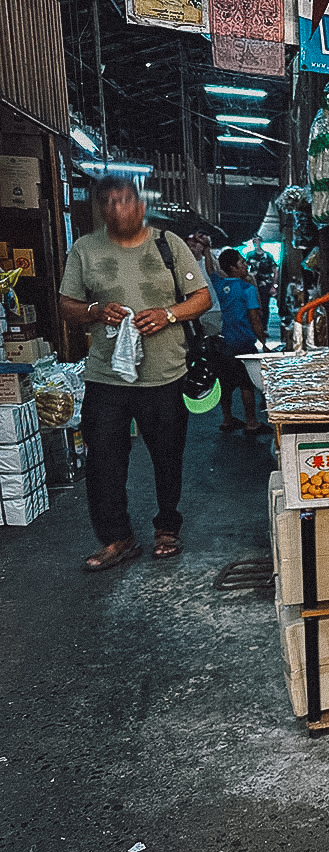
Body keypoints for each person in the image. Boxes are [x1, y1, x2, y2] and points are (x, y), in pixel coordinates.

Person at [58, 175, 212, 571]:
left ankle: (167, 527)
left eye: (124, 200)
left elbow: (202, 298)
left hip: (164, 373)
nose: (116, 208)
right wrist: (95, 311)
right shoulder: (84, 250)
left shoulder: (168, 244)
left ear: (140, 205)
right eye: (107, 201)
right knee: (104, 459)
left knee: (167, 455)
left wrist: (168, 314)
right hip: (106, 376)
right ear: (99, 208)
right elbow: (68, 307)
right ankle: (117, 537)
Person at [212, 248, 269, 435]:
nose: (246, 266)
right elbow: (254, 319)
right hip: (244, 342)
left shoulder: (218, 284)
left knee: (226, 383)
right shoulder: (247, 289)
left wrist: (206, 250)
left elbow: (211, 270)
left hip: (224, 342)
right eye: (242, 263)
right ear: (232, 268)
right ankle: (251, 422)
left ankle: (227, 420)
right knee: (247, 383)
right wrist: (263, 342)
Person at [245, 234, 277, 316]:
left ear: (260, 241)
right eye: (254, 240)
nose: (256, 242)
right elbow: (245, 268)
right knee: (253, 305)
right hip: (253, 283)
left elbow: (275, 271)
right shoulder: (250, 255)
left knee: (265, 305)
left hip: (265, 284)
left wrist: (274, 286)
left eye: (258, 240)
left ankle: (264, 326)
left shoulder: (268, 256)